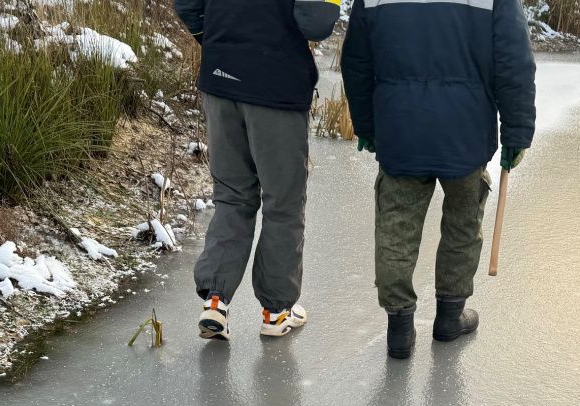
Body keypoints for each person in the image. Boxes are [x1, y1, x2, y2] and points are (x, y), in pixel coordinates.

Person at [341, 0, 536, 360]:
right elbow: (514, 63)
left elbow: (356, 60)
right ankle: (450, 316)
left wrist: (367, 125)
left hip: (401, 129)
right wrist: (517, 132)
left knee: (396, 227)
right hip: (465, 131)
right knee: (463, 223)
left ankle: (399, 329)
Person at [174, 0, 341, 341]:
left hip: (220, 78)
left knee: (232, 195)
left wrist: (220, 42)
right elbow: (317, 21)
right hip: (274, 85)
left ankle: (215, 301)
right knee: (283, 200)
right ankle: (276, 312)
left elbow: (186, 3)